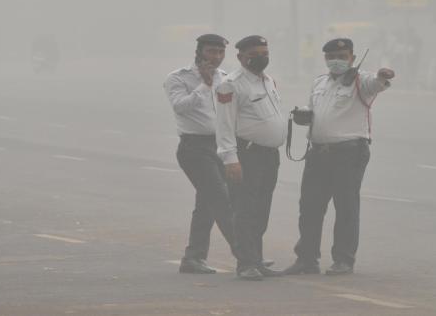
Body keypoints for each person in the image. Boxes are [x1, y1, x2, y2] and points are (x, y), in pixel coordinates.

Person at [283, 38, 395, 276]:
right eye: (331, 56)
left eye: (342, 57)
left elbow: (378, 82)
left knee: (346, 207)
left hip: (348, 152)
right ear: (325, 59)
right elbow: (315, 109)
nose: (336, 61)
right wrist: (305, 117)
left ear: (352, 58)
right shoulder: (319, 82)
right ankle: (307, 259)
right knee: (310, 207)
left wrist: (383, 74)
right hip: (318, 152)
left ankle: (344, 260)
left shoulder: (360, 81)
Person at [163, 34, 238, 274]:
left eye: (219, 52)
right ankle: (247, 253)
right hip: (194, 148)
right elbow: (180, 106)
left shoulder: (226, 77)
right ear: (199, 52)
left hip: (221, 146)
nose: (215, 57)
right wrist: (204, 85)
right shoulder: (178, 78)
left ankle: (193, 258)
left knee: (207, 204)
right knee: (221, 199)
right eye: (211, 51)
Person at [214, 35, 287, 281]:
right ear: (240, 57)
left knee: (261, 210)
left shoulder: (267, 80)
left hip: (269, 155)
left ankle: (257, 259)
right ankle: (245, 263)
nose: (261, 58)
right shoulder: (230, 84)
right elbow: (224, 125)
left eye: (264, 53)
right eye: (254, 54)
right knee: (245, 209)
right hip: (247, 155)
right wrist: (230, 159)